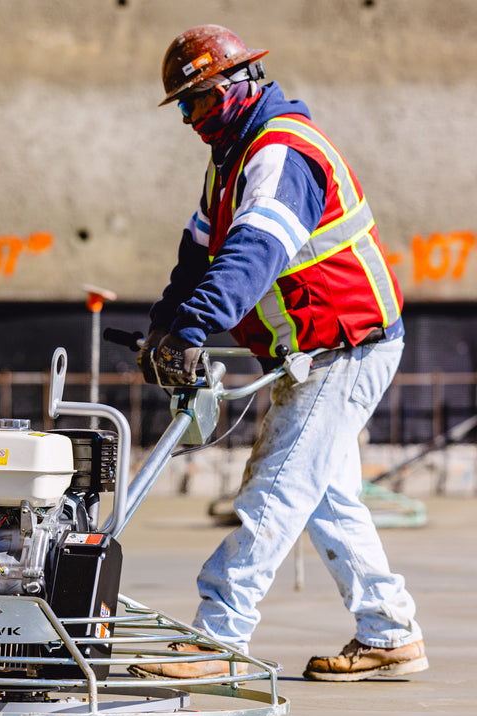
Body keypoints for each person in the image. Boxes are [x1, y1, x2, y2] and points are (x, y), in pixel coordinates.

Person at [130, 25, 428, 682]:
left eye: (197, 101)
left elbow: (253, 254)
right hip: (314, 351)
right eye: (182, 106)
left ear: (236, 86)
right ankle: (390, 628)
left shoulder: (281, 154)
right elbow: (197, 259)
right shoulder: (231, 161)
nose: (189, 119)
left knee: (276, 487)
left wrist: (195, 329)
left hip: (345, 347)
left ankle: (217, 638)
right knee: (327, 495)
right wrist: (165, 327)